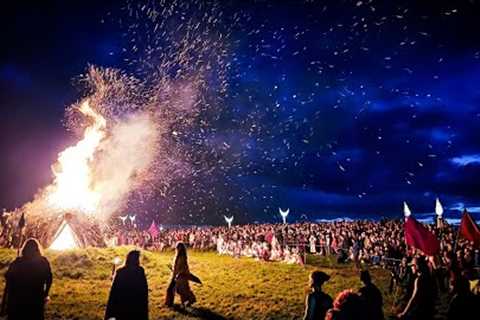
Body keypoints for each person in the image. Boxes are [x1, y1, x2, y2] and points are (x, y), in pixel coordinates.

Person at [0, 238, 52, 320]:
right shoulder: (43, 262)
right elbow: (49, 278)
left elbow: (9, 278)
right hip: (35, 297)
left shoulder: (18, 262)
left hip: (20, 298)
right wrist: (45, 293)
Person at [105, 250, 148, 320]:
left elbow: (113, 293)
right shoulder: (139, 271)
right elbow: (144, 291)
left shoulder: (122, 272)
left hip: (125, 307)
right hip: (132, 307)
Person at [165, 242, 198, 307]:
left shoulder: (182, 257)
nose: (176, 248)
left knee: (182, 290)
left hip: (181, 276)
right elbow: (176, 266)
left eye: (178, 247)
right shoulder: (177, 255)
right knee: (178, 290)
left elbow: (183, 267)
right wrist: (172, 268)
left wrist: (179, 273)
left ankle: (190, 300)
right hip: (176, 275)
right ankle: (171, 303)